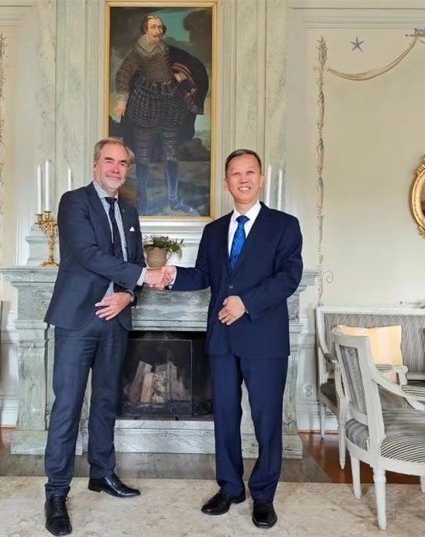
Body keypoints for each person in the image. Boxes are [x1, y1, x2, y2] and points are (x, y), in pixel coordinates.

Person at [157, 149, 303, 529]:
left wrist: (246, 303)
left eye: (250, 172)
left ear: (261, 178)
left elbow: (288, 277)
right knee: (224, 416)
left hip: (265, 339)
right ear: (226, 183)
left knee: (266, 419)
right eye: (236, 174)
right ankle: (230, 487)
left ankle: (263, 495)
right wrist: (173, 275)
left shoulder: (284, 226)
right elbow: (204, 275)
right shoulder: (214, 230)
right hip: (222, 338)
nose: (243, 179)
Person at [43, 137, 168, 536]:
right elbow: (90, 255)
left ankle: (102, 473)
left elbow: (132, 261)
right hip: (78, 319)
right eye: (109, 161)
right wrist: (144, 276)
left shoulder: (128, 211)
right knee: (67, 406)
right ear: (96, 165)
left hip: (115, 318)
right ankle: (56, 493)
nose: (116, 169)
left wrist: (128, 295)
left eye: (122, 163)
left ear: (127, 169)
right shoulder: (74, 202)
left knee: (106, 402)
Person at [115, 13, 208, 216]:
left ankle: (173, 200)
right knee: (143, 155)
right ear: (145, 30)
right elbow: (123, 75)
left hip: (170, 107)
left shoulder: (165, 49)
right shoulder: (139, 52)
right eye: (153, 27)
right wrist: (122, 101)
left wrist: (180, 77)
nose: (158, 31)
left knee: (171, 154)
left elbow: (173, 72)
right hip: (145, 106)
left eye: (160, 27)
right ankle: (142, 202)